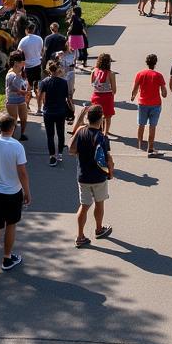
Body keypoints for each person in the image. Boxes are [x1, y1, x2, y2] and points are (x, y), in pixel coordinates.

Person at [0, 115, 30, 288]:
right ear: (13, 127)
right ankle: (7, 258)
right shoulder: (17, 146)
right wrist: (27, 192)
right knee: (11, 225)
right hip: (13, 193)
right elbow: (22, 173)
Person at [70, 104, 113, 246]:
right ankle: (99, 229)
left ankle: (80, 236)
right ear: (101, 119)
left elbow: (71, 149)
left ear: (87, 118)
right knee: (99, 203)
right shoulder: (102, 137)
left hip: (83, 176)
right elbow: (108, 160)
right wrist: (110, 173)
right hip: (99, 177)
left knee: (84, 205)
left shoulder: (81, 131)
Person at [130, 54, 168, 158]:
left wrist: (133, 96)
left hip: (143, 103)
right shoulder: (158, 75)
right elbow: (164, 91)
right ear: (155, 63)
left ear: (147, 62)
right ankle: (150, 148)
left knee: (141, 124)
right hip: (155, 103)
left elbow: (135, 87)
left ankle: (139, 145)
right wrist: (164, 94)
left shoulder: (140, 74)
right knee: (152, 126)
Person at [40, 59, 72, 165]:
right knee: (60, 132)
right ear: (58, 70)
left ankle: (52, 156)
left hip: (48, 111)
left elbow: (40, 97)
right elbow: (68, 97)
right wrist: (71, 108)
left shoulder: (44, 82)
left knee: (50, 135)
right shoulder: (64, 82)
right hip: (60, 111)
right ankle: (60, 154)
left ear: (48, 71)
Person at [18, 23, 44, 112]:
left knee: (28, 87)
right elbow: (42, 51)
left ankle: (27, 106)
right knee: (37, 88)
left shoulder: (23, 41)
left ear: (26, 30)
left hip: (28, 66)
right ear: (34, 29)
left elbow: (18, 52)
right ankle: (39, 108)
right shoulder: (39, 39)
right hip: (37, 65)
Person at [4, 50, 30, 140]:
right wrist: (21, 92)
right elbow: (12, 88)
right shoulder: (11, 74)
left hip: (21, 99)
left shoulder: (21, 71)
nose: (23, 63)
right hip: (12, 100)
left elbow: (24, 84)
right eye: (21, 61)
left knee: (24, 118)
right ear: (15, 62)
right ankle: (11, 136)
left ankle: (22, 134)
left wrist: (26, 91)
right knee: (13, 120)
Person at [89, 53, 117, 135]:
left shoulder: (94, 71)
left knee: (97, 114)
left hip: (96, 95)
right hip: (107, 96)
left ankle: (99, 129)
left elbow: (92, 84)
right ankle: (105, 132)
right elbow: (114, 89)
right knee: (108, 116)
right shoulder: (111, 73)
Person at [67, 5, 87, 69]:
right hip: (80, 36)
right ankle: (83, 61)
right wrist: (85, 34)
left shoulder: (73, 17)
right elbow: (83, 28)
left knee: (73, 50)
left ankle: (74, 62)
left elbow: (69, 23)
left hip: (72, 36)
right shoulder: (81, 19)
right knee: (82, 49)